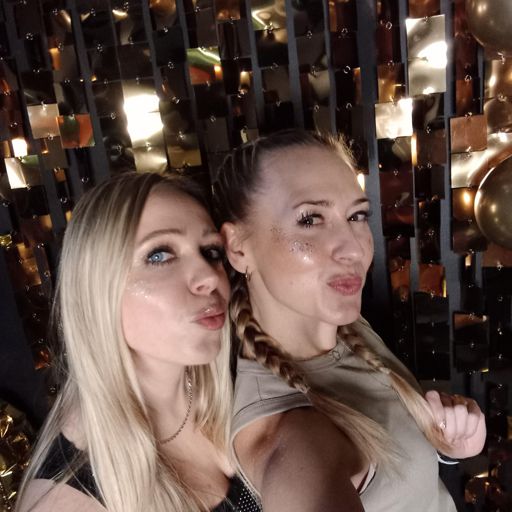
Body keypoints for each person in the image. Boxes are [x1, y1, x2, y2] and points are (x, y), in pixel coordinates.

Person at [212, 129, 486, 511]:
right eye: (310, 219)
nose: (354, 248)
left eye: (356, 215)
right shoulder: (292, 433)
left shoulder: (346, 330)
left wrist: (448, 450)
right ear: (238, 247)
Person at [16, 172, 262, 512]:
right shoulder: (68, 501)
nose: (209, 276)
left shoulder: (242, 386)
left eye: (211, 252)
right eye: (159, 255)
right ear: (98, 288)